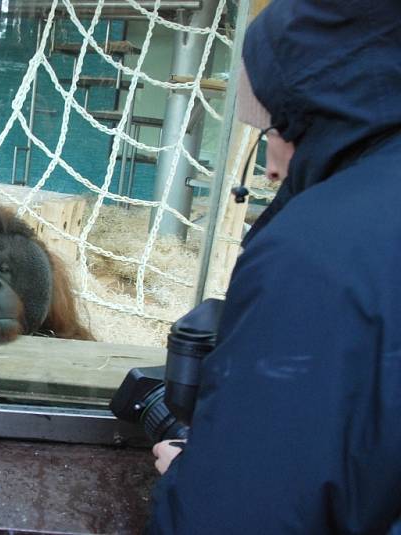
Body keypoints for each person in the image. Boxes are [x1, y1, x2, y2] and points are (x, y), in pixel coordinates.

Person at [148, 1, 401, 533]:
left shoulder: (319, 253)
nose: (269, 167)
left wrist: (188, 479)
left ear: (318, 116)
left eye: (275, 129)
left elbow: (238, 516)